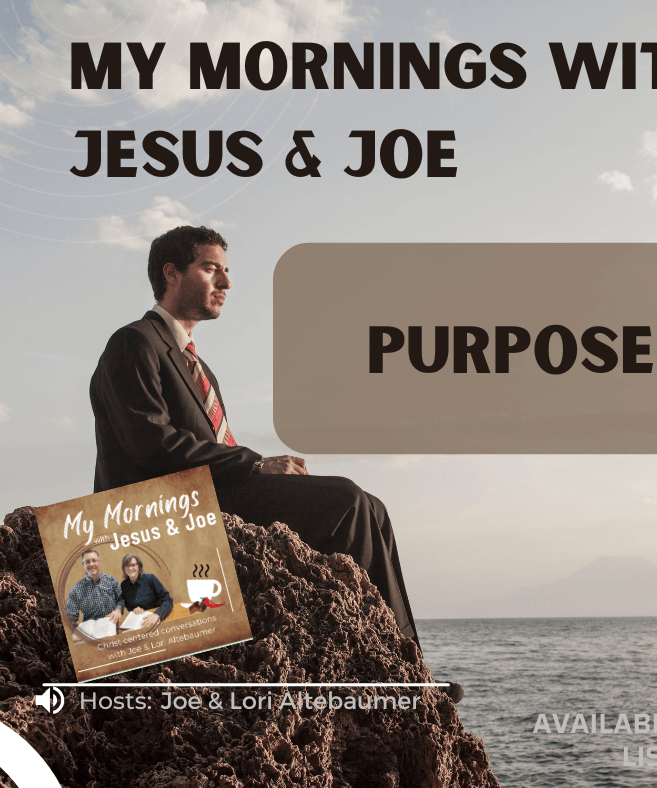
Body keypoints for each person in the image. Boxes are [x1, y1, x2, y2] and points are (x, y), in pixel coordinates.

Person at [89, 226, 462, 701]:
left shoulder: (199, 368)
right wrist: (256, 464)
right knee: (345, 499)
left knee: (373, 507)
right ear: (171, 274)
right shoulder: (133, 343)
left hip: (210, 494)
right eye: (210, 269)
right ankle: (394, 672)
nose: (225, 282)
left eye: (227, 271)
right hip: (161, 510)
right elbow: (153, 446)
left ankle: (404, 659)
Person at [64, 549, 124, 627]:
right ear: (83, 565)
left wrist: (118, 610)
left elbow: (121, 599)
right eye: (87, 562)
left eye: (94, 560)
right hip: (91, 633)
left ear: (99, 562)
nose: (91, 564)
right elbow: (69, 618)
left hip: (113, 626)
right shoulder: (76, 590)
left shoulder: (111, 580)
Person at [120, 553, 173, 626]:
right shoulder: (123, 585)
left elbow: (168, 600)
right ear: (124, 568)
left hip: (157, 619)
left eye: (133, 565)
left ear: (139, 566)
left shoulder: (150, 578)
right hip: (140, 622)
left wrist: (158, 615)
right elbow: (127, 604)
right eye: (127, 565)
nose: (130, 568)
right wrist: (134, 609)